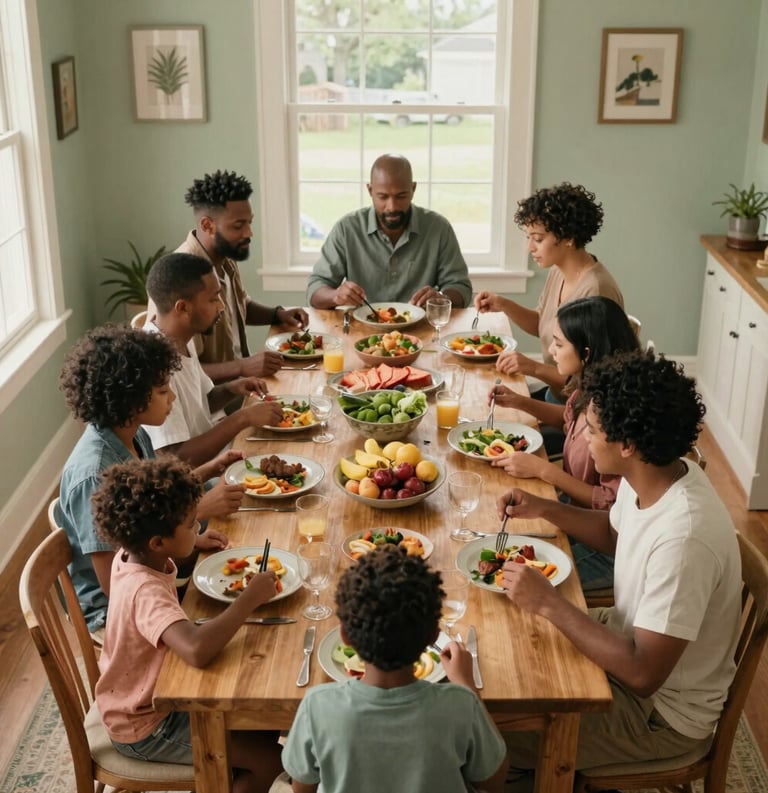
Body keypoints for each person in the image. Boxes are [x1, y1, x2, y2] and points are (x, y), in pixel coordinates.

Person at [497, 350, 741, 790]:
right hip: (628, 636)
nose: (584, 438)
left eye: (592, 429)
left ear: (627, 445)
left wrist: (552, 604)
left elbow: (644, 674)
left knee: (489, 734)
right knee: (505, 644)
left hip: (660, 717)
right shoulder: (655, 475)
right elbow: (615, 535)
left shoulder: (684, 538)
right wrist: (542, 507)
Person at [92, 457, 283, 792]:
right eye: (192, 525)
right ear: (158, 542)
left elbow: (162, 539)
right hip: (146, 724)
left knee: (259, 718)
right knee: (271, 761)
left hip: (145, 698)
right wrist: (248, 600)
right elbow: (195, 650)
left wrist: (193, 542)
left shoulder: (132, 548)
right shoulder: (145, 592)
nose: (199, 528)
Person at [58, 324, 243, 640]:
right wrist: (196, 512)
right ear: (129, 400)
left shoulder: (132, 432)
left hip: (153, 573)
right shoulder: (94, 475)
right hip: (116, 611)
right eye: (162, 391)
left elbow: (153, 500)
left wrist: (209, 470)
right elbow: (115, 581)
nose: (172, 397)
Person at [282, 545, 507, 793]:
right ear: (433, 635)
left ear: (345, 636)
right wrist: (466, 684)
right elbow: (492, 781)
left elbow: (302, 789)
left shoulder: (317, 706)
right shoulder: (461, 704)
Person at [488, 297, 640, 589]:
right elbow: (568, 420)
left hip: (606, 548)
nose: (550, 351)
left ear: (585, 352)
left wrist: (544, 471)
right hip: (575, 517)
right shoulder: (588, 384)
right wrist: (521, 401)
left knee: (510, 582)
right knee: (502, 543)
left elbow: (607, 504)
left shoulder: (616, 413)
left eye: (558, 344)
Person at [474, 182, 623, 403]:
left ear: (569, 237)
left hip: (576, 414)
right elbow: (543, 325)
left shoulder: (596, 291)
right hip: (554, 395)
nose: (530, 248)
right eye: (528, 238)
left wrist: (533, 367)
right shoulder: (558, 270)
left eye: (538, 239)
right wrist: (503, 304)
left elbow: (592, 385)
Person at [156, 169, 309, 381]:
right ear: (207, 225)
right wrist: (242, 367)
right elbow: (179, 373)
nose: (249, 233)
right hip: (216, 406)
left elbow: (240, 305)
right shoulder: (181, 277)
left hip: (241, 387)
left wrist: (277, 315)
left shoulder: (225, 257)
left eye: (249, 222)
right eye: (238, 225)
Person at [143, 251, 283, 466]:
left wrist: (231, 389)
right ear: (183, 308)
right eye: (213, 298)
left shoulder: (182, 337)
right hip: (196, 482)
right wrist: (242, 417)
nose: (221, 306)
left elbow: (201, 403)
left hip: (218, 457)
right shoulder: (153, 362)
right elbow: (174, 458)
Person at [307, 154, 473, 309]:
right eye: (383, 197)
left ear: (413, 189)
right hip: (363, 331)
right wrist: (335, 295)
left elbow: (461, 287)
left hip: (423, 328)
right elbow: (315, 288)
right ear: (370, 191)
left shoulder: (439, 228)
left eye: (401, 196)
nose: (392, 207)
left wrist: (441, 298)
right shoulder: (347, 229)